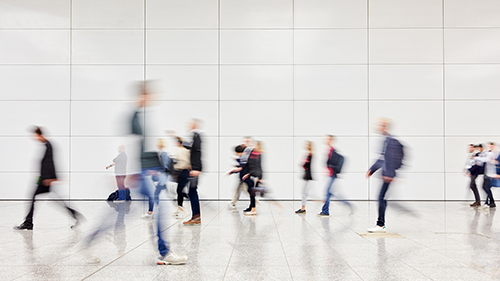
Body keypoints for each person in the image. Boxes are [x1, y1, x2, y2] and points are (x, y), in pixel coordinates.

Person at [131, 81, 187, 264]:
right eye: (150, 94)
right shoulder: (135, 117)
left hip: (148, 171)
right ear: (143, 95)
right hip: (142, 172)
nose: (153, 98)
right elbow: (135, 146)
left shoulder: (146, 116)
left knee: (161, 207)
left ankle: (87, 243)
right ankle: (164, 253)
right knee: (162, 207)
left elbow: (149, 150)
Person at [14, 127, 83, 230]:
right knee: (55, 200)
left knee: (34, 199)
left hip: (45, 180)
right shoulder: (46, 145)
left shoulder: (48, 146)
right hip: (44, 179)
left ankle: (28, 223)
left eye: (35, 136)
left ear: (38, 135)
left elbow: (50, 163)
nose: (34, 138)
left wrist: (50, 179)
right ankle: (75, 215)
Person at [366, 118, 404, 233]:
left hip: (388, 174)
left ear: (385, 127)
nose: (378, 127)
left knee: (381, 198)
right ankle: (381, 223)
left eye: (380, 125)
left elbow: (390, 159)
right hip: (387, 174)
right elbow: (382, 159)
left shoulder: (390, 141)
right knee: (382, 197)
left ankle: (381, 224)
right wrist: (371, 170)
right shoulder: (386, 140)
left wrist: (389, 173)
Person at [318, 135, 349, 217]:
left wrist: (330, 167)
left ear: (331, 140)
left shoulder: (332, 151)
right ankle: (348, 204)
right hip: (329, 175)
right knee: (330, 193)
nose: (326, 140)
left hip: (332, 175)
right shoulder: (328, 150)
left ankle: (325, 211)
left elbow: (332, 164)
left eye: (328, 139)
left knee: (327, 193)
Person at [142, 139, 172, 219]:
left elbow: (165, 167)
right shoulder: (161, 153)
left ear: (160, 145)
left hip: (161, 179)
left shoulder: (163, 154)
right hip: (160, 179)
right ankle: (155, 211)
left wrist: (158, 172)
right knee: (160, 195)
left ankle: (151, 212)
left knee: (153, 195)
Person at [182, 119, 203, 225]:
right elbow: (191, 148)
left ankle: (196, 216)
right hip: (193, 168)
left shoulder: (197, 136)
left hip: (195, 168)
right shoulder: (194, 137)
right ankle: (196, 216)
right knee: (192, 191)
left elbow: (197, 152)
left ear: (195, 125)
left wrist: (197, 168)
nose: (189, 125)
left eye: (190, 123)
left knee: (192, 191)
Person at [474, 142, 500, 208]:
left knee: (486, 188)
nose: (490, 147)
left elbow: (486, 160)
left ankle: (488, 203)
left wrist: (476, 158)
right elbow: (484, 160)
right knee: (485, 188)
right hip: (487, 173)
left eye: (491, 146)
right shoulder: (488, 153)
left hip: (491, 174)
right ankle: (491, 202)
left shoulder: (494, 154)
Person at [242, 141, 264, 216]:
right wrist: (248, 174)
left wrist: (260, 177)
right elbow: (251, 166)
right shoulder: (253, 153)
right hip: (252, 175)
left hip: (256, 176)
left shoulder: (258, 154)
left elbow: (258, 166)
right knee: (251, 192)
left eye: (255, 145)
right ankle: (252, 208)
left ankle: (253, 209)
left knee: (252, 193)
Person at [173, 136, 190, 218]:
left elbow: (182, 162)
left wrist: (175, 166)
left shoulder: (181, 150)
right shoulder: (186, 150)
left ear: (178, 143)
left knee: (179, 190)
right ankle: (180, 207)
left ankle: (181, 206)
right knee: (180, 190)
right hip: (185, 171)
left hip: (182, 171)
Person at [296, 141, 313, 214]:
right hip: (306, 176)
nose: (306, 146)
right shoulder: (308, 154)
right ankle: (303, 207)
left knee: (305, 192)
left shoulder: (310, 155)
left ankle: (303, 208)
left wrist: (304, 163)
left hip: (308, 176)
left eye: (307, 145)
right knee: (305, 192)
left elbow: (305, 165)